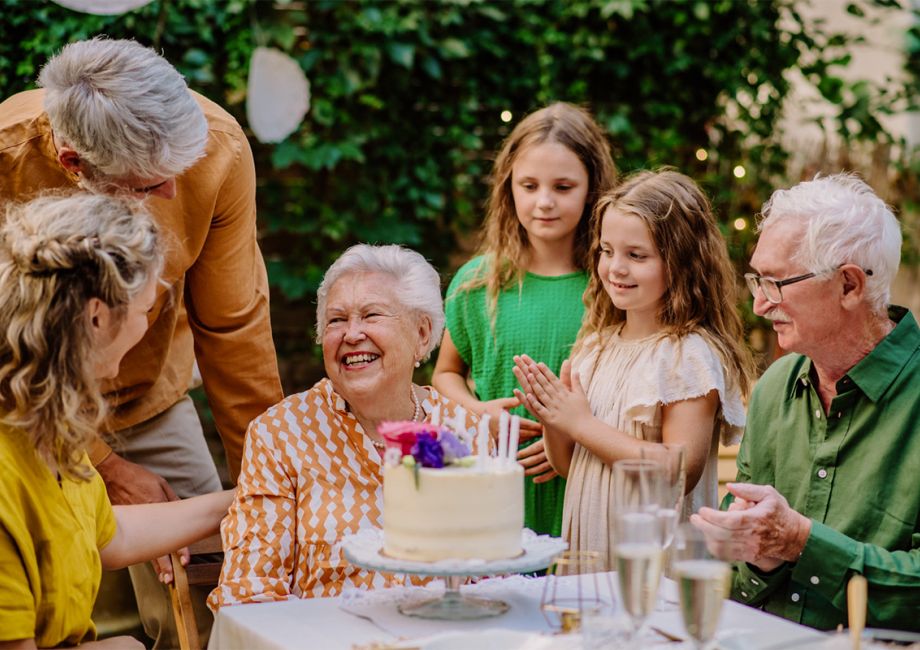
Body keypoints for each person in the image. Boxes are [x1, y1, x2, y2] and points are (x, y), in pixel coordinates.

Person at [0, 38, 283, 645]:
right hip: (22, 405)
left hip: (153, 396)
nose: (174, 197)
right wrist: (101, 461)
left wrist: (266, 479)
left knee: (213, 592)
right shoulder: (4, 156)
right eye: (149, 185)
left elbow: (234, 327)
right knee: (68, 596)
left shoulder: (220, 146)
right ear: (74, 164)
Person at [0, 193, 233, 649]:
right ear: (96, 316)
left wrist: (243, 500)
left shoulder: (46, 427)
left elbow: (112, 534)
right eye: (146, 310)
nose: (148, 327)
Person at [691, 173, 919, 631]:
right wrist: (761, 557)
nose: (758, 303)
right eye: (756, 279)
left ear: (849, 286)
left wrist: (801, 543)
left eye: (775, 283)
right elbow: (740, 580)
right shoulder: (776, 385)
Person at [208, 244, 479, 606]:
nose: (351, 334)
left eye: (371, 315)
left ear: (422, 333)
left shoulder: (465, 432)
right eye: (337, 320)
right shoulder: (282, 434)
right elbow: (251, 588)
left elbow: (492, 579)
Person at [513, 170, 753, 563]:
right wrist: (555, 417)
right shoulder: (596, 346)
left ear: (681, 263)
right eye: (607, 251)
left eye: (636, 255)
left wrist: (581, 424)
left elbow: (678, 471)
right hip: (591, 560)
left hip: (655, 570)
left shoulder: (687, 355)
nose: (615, 268)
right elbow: (568, 466)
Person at [432, 102, 616, 538]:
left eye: (564, 186)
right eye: (529, 185)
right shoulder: (478, 283)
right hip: (497, 486)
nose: (544, 202)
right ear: (508, 187)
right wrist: (477, 413)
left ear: (592, 188)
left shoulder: (613, 283)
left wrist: (573, 441)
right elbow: (445, 374)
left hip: (584, 489)